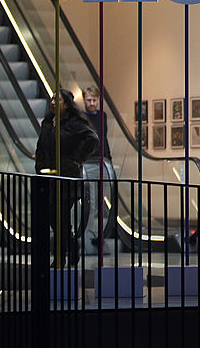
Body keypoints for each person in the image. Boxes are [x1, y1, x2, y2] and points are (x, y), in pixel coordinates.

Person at [35, 88, 99, 268]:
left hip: (67, 178)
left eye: (58, 100)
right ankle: (71, 247)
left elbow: (92, 139)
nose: (54, 102)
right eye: (53, 99)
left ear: (67, 104)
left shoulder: (74, 123)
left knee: (60, 216)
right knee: (55, 218)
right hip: (49, 176)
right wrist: (39, 167)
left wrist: (77, 159)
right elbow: (41, 146)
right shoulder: (48, 123)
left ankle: (61, 256)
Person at [81, 85, 114, 252]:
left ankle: (97, 234)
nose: (92, 103)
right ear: (84, 100)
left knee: (101, 201)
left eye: (94, 100)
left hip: (102, 162)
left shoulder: (102, 116)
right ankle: (89, 232)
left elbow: (104, 138)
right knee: (91, 202)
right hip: (88, 162)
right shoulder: (81, 118)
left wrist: (108, 158)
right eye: (89, 100)